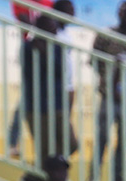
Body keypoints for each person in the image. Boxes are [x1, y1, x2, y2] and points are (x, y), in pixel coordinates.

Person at [90, 1, 126, 181]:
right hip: (108, 96)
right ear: (118, 13)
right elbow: (94, 61)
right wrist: (109, 85)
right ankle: (94, 177)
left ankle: (117, 178)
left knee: (124, 142)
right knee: (102, 138)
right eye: (124, 11)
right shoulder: (105, 36)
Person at [22, 14, 78, 167]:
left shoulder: (58, 47)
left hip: (57, 106)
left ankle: (52, 169)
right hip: (36, 108)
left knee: (72, 143)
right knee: (44, 150)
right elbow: (30, 74)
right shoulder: (28, 48)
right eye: (51, 28)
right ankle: (46, 179)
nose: (55, 31)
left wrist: (45, 53)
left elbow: (59, 71)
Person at [8, 0, 54, 158]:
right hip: (30, 49)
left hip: (45, 49)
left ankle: (41, 146)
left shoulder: (46, 2)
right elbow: (25, 22)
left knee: (38, 95)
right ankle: (13, 142)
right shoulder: (21, 2)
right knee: (28, 95)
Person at [53, 0, 76, 111]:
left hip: (68, 84)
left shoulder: (67, 33)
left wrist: (70, 87)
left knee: (65, 122)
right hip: (54, 85)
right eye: (70, 9)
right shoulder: (49, 30)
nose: (73, 12)